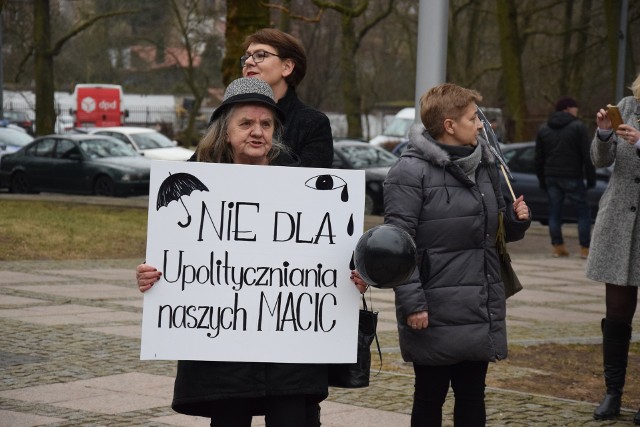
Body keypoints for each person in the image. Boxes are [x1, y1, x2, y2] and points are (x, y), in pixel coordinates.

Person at [136, 77, 368, 427]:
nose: (257, 131)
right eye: (246, 123)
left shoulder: (306, 189)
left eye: (266, 124)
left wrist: (352, 279)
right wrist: (150, 274)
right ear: (225, 131)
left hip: (291, 353)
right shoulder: (196, 187)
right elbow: (175, 255)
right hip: (223, 353)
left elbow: (331, 260)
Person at [382, 83, 531, 426]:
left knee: (472, 395)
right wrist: (413, 303)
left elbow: (492, 235)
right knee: (430, 396)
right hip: (433, 306)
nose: (480, 124)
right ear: (449, 125)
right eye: (472, 117)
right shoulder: (409, 171)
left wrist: (515, 220)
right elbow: (397, 244)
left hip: (479, 302)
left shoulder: (485, 165)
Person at [588, 73, 640, 423]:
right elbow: (600, 160)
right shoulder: (627, 107)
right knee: (617, 314)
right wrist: (605, 132)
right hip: (621, 223)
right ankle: (613, 393)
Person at [241, 28, 333, 168]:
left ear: (287, 67)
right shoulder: (226, 117)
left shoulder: (312, 124)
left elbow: (311, 184)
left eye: (260, 55)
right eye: (246, 56)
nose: (248, 61)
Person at [534, 97, 596, 259]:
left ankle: (558, 247)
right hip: (572, 176)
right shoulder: (578, 127)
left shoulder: (544, 128)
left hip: (551, 176)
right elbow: (587, 155)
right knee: (583, 212)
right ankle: (585, 248)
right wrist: (590, 178)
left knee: (554, 212)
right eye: (575, 108)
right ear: (568, 108)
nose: (577, 111)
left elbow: (538, 158)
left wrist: (542, 179)